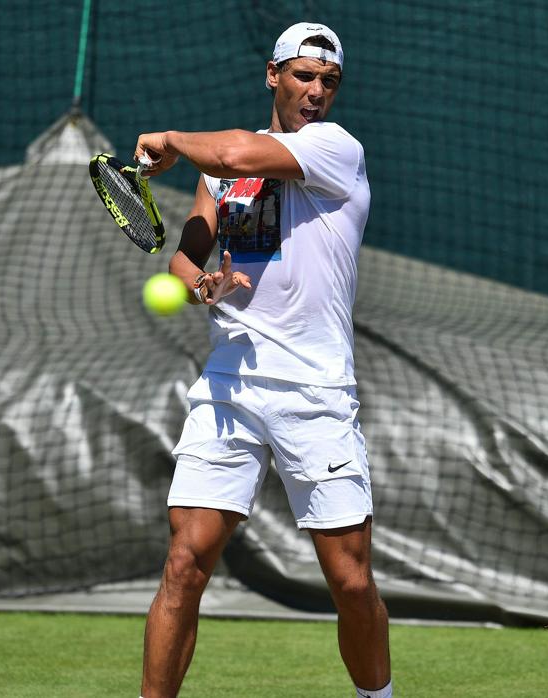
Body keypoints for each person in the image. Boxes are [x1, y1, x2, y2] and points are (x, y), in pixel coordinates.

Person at [132, 21, 392, 698]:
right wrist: (201, 284)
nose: (317, 92)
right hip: (231, 385)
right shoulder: (226, 177)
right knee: (185, 562)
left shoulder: (334, 148)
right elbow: (188, 255)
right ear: (273, 76)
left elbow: (237, 153)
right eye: (304, 76)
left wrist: (171, 142)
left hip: (315, 391)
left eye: (329, 81)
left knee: (351, 580)